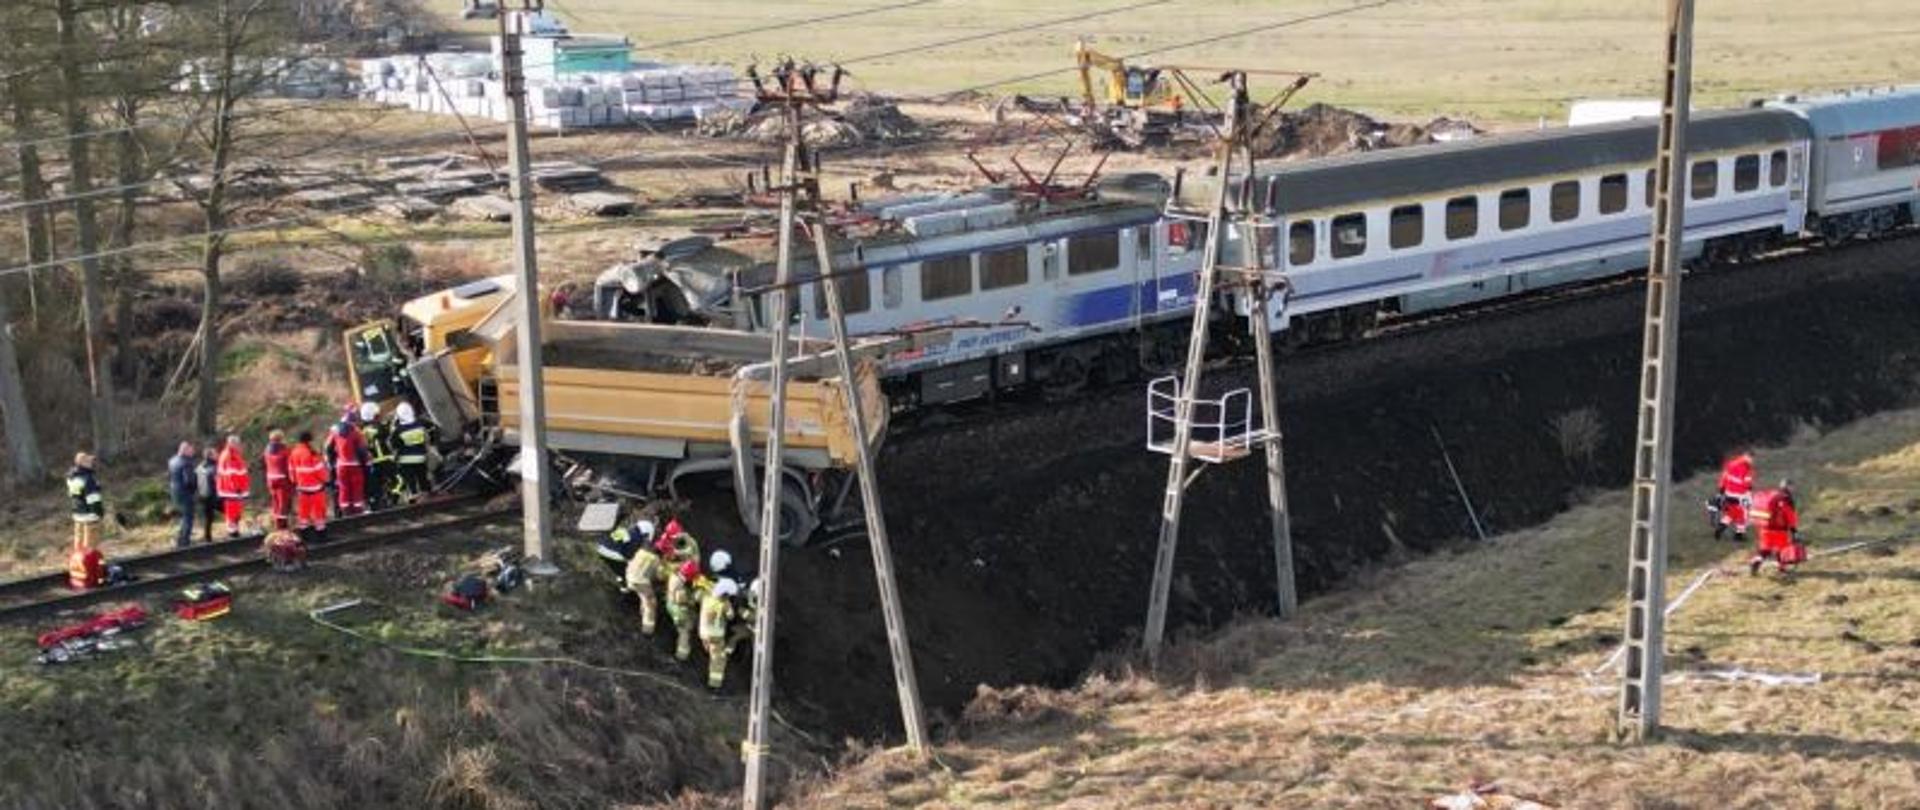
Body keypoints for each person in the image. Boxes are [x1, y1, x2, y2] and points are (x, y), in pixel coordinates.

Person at [1749, 480, 1803, 575]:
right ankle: (1781, 568)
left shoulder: (1773, 495)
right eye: (1792, 486)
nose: (1793, 489)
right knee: (1782, 549)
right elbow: (1790, 516)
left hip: (1765, 528)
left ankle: (1756, 560)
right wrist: (1794, 530)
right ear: (1788, 487)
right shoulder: (1786, 499)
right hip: (1779, 530)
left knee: (1765, 549)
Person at [327, 406, 370, 516]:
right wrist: (365, 462)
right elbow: (362, 450)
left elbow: (328, 448)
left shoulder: (335, 432)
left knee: (344, 487)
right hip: (354, 465)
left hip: (340, 465)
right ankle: (358, 511)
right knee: (356, 487)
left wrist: (332, 463)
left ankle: (346, 512)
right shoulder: (356, 432)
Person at [699, 577, 740, 690]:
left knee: (711, 652)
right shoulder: (724, 604)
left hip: (703, 632)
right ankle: (714, 685)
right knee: (719, 659)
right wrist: (730, 605)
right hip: (716, 635)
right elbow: (731, 616)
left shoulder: (706, 597)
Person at [624, 527, 665, 636]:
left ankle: (642, 613)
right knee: (651, 603)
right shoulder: (655, 559)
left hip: (629, 578)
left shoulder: (640, 551)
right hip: (640, 582)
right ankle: (648, 630)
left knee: (644, 597)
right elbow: (660, 576)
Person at [289, 431, 331, 536]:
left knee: (303, 512)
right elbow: (319, 470)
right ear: (310, 440)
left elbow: (291, 469)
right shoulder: (311, 453)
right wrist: (326, 481)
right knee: (318, 511)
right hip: (315, 487)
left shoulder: (294, 452)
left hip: (301, 487)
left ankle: (304, 533)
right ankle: (321, 533)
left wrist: (295, 481)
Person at [664, 558, 707, 662]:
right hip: (679, 609)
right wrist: (694, 598)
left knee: (688, 622)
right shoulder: (680, 586)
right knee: (684, 632)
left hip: (671, 604)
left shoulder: (674, 576)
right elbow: (682, 599)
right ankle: (681, 656)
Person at [393, 402, 432, 502]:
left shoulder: (398, 430)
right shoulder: (420, 424)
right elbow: (430, 431)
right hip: (421, 457)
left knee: (410, 479)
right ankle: (425, 493)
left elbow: (395, 445)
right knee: (422, 476)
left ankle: (414, 495)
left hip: (405, 460)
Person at [66, 452, 105, 552]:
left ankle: (78, 563)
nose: (91, 463)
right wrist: (99, 513)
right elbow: (93, 499)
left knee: (78, 541)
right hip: (89, 514)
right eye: (88, 461)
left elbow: (75, 494)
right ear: (82, 463)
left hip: (77, 513)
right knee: (91, 542)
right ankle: (89, 564)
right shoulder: (88, 478)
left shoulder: (71, 477)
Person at [359, 402, 395, 511]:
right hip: (385, 460)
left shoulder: (359, 430)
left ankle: (376, 503)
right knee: (397, 480)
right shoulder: (381, 428)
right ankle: (392, 499)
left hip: (369, 463)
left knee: (375, 487)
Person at [1714, 451, 1756, 543]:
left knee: (1731, 513)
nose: (1752, 461)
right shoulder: (1747, 468)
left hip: (1729, 493)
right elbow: (1747, 484)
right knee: (1744, 514)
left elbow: (1724, 477)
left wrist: (1721, 490)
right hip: (1740, 494)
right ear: (1748, 457)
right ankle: (1739, 535)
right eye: (1752, 459)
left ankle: (1719, 529)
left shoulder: (1731, 463)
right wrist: (1749, 492)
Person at [215, 435, 251, 537]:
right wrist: (236, 488)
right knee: (233, 512)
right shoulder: (230, 455)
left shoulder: (229, 454)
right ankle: (233, 533)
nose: (239, 446)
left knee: (234, 512)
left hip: (231, 490)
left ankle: (233, 531)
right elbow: (232, 474)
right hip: (232, 491)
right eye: (237, 444)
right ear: (232, 443)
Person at [167, 442, 198, 548]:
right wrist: (193, 490)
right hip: (185, 493)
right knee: (188, 517)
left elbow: (171, 477)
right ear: (185, 450)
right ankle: (185, 541)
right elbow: (189, 480)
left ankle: (180, 539)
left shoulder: (172, 461)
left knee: (183, 516)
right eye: (191, 450)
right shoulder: (186, 462)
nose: (193, 452)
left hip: (175, 492)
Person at [263, 430, 293, 530]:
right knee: (283, 503)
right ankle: (282, 525)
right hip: (282, 479)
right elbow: (289, 466)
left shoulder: (267, 450)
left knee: (275, 501)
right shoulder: (285, 450)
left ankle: (276, 523)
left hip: (270, 479)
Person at [195, 440, 220, 543]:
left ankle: (207, 538)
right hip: (213, 496)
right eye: (215, 454)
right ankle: (233, 533)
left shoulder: (199, 467)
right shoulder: (215, 467)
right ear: (210, 456)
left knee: (208, 518)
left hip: (202, 496)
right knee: (230, 512)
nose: (217, 455)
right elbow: (218, 482)